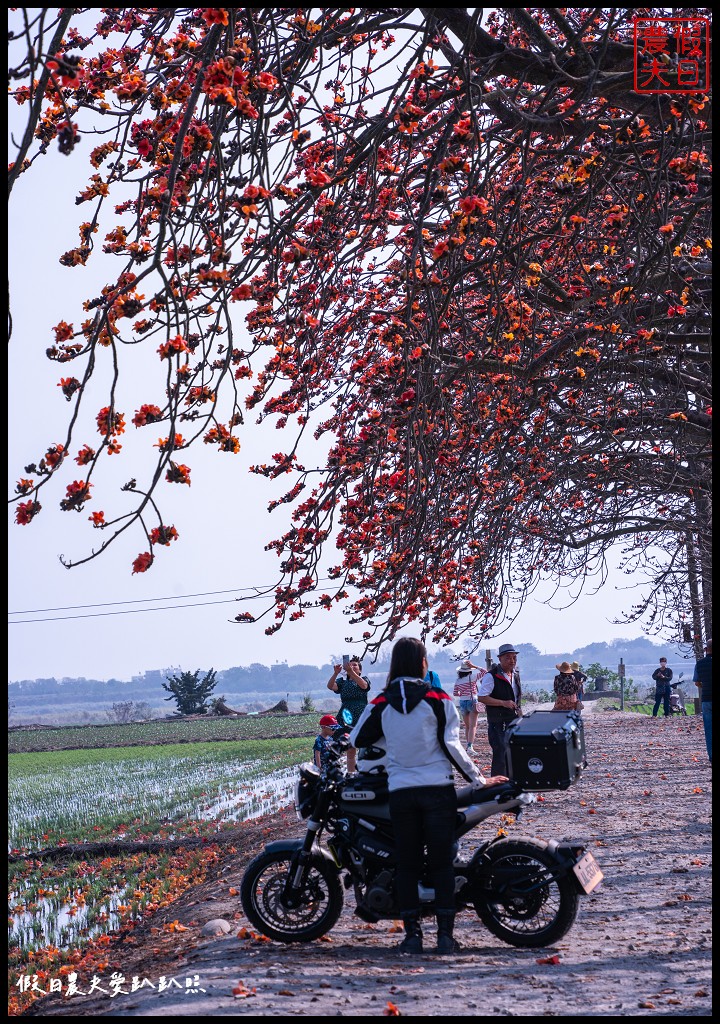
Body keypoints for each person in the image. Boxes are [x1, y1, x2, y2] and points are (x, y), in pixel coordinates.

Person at [349, 636, 507, 955]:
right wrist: (479, 780)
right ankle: (446, 937)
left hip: (401, 793)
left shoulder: (381, 700)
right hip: (437, 791)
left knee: (406, 864)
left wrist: (391, 742)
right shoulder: (437, 697)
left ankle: (412, 937)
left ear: (395, 664)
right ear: (423, 663)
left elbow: (357, 737)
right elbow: (452, 746)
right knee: (441, 864)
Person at [477, 644, 522, 776]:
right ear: (500, 659)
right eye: (508, 658)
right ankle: (497, 786)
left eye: (514, 658)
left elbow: (517, 696)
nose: (512, 661)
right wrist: (503, 703)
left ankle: (511, 782)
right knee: (500, 753)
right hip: (498, 721)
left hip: (513, 719)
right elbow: (482, 697)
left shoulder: (515, 675)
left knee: (513, 751)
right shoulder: (491, 676)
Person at [327, 655, 371, 772]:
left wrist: (351, 672)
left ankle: (365, 772)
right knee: (350, 748)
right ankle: (351, 774)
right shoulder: (342, 682)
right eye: (350, 665)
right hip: (347, 716)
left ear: (360, 670)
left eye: (355, 665)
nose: (351, 666)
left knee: (365, 746)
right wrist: (336, 673)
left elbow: (364, 686)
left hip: (361, 714)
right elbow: (330, 686)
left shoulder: (364, 679)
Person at [452, 659, 485, 752]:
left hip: (462, 702)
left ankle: (467, 746)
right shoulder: (473, 677)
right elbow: (485, 672)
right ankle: (470, 746)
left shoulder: (458, 681)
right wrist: (474, 666)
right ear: (469, 670)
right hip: (472, 701)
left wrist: (463, 694)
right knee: (473, 726)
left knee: (467, 726)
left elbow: (455, 693)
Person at [693, 640, 711, 763]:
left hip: (706, 699)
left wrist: (704, 686)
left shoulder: (699, 664)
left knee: (709, 729)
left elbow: (697, 682)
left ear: (706, 649)